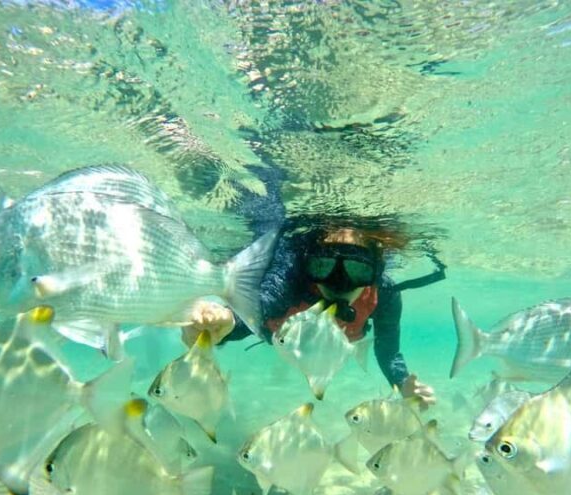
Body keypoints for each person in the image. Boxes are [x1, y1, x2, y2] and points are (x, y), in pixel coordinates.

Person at [181, 165, 441, 408]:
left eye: (357, 270)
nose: (339, 282)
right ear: (309, 262)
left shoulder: (383, 294)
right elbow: (262, 304)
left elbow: (388, 349)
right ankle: (196, 164)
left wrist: (403, 382)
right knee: (246, 201)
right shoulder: (293, 272)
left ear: (375, 272)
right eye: (324, 266)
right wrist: (226, 321)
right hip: (282, 328)